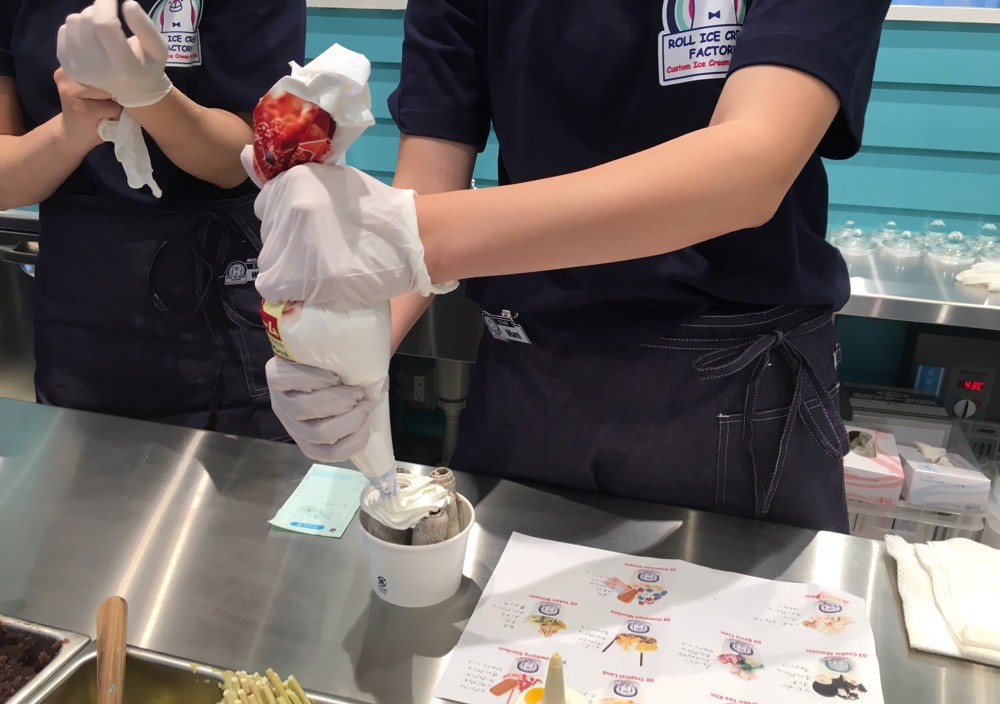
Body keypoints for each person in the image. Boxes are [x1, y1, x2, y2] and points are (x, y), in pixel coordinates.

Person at [255, 0, 893, 532]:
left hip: (731, 383)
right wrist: (349, 357)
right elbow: (430, 178)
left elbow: (750, 167)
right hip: (525, 373)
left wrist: (396, 233)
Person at [0, 0, 304, 438]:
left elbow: (242, 159)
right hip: (76, 313)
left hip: (221, 305)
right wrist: (71, 130)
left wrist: (152, 96)